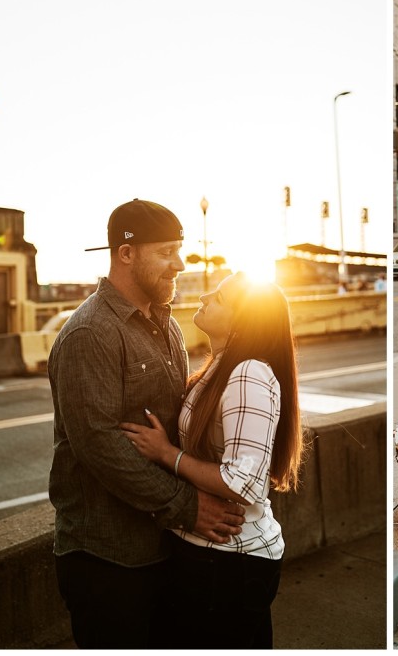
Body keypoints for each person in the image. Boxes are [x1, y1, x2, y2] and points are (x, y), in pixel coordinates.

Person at [49, 199, 246, 649]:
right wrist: (188, 505)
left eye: (181, 250)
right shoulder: (90, 334)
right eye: (166, 252)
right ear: (126, 254)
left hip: (164, 545)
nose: (180, 264)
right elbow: (99, 445)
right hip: (107, 556)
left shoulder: (168, 325)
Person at [121, 271, 305, 649]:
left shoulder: (248, 373)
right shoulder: (221, 369)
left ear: (241, 320)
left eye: (219, 297)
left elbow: (245, 483)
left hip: (229, 560)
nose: (205, 296)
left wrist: (165, 453)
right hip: (213, 555)